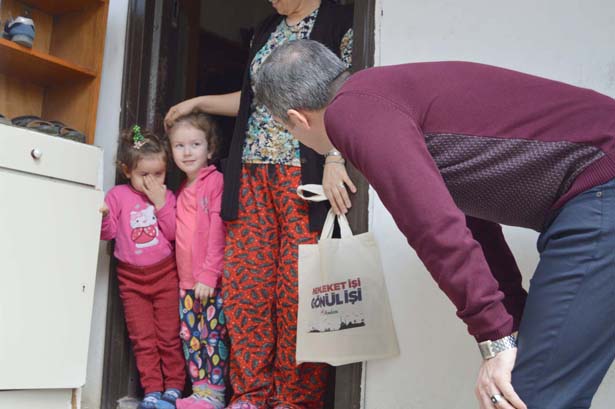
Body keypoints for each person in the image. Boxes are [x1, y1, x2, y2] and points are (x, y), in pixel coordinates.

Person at [254, 39, 615, 409]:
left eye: (288, 130)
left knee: (529, 398)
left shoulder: (352, 111)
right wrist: (510, 326)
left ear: (297, 118)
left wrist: (495, 337)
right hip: (595, 188)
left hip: (600, 182)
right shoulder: (382, 95)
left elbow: (433, 227)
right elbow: (472, 226)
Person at [165, 2, 354, 408]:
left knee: (298, 292)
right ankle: (250, 395)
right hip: (251, 174)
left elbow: (349, 98)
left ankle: (293, 399)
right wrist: (198, 103)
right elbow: (254, 99)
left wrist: (335, 157)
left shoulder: (340, 20)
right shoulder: (267, 27)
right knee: (247, 288)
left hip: (302, 177)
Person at [100, 126, 185, 409]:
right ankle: (152, 389)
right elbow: (109, 233)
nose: (151, 181)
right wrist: (103, 216)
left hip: (165, 275)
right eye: (143, 174)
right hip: (131, 280)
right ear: (127, 171)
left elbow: (173, 233)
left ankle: (174, 387)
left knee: (169, 336)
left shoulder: (167, 196)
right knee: (143, 338)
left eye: (158, 174)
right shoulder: (117, 196)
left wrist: (160, 203)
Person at [167, 112, 229, 409]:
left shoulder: (215, 182)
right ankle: (199, 391)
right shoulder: (181, 189)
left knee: (212, 336)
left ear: (210, 149)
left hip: (208, 281)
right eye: (179, 146)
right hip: (186, 281)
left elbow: (218, 231)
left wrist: (209, 274)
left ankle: (215, 394)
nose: (187, 152)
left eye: (195, 144)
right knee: (190, 336)